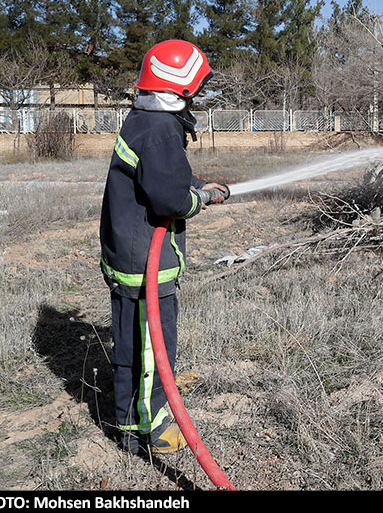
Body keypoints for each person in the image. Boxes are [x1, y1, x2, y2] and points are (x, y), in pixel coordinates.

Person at [100, 39, 229, 454]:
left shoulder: (144, 120)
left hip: (130, 254)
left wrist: (197, 184)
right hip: (145, 264)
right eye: (197, 87)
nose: (199, 94)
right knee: (151, 348)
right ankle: (148, 429)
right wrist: (198, 198)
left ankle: (134, 415)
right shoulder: (160, 130)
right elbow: (169, 200)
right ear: (181, 86)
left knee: (136, 346)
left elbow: (159, 175)